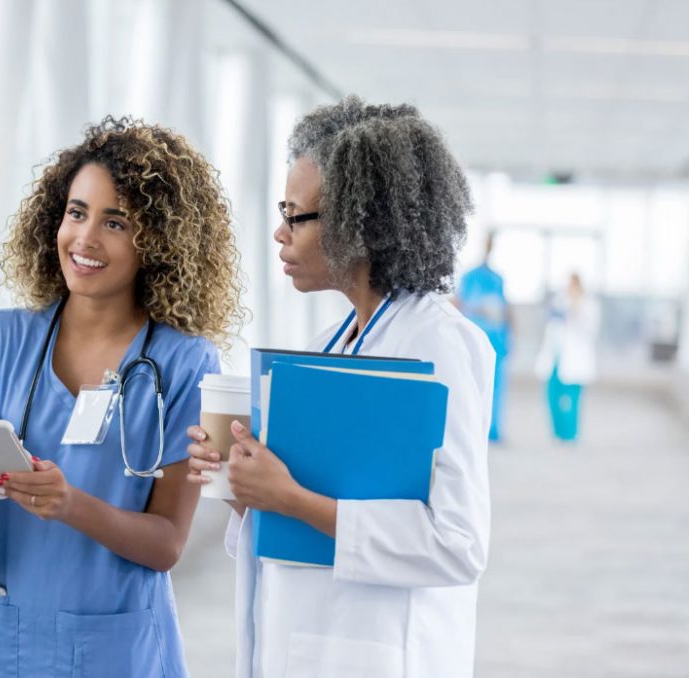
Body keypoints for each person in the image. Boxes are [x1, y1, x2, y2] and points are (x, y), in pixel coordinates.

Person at [187, 98, 495, 678]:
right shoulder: (333, 342)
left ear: (360, 223)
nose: (280, 232)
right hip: (303, 643)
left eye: (295, 214)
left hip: (380, 653)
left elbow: (458, 543)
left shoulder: (438, 345)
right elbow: (300, 512)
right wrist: (239, 480)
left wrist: (291, 498)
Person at [0, 117, 244, 676]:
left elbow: (167, 544)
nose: (86, 240)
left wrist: (70, 505)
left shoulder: (182, 363)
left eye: (115, 222)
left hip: (114, 651)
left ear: (158, 240)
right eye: (77, 213)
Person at [456, 233, 512, 441]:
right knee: (471, 384)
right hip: (476, 335)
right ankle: (473, 429)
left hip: (496, 338)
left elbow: (505, 310)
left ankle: (493, 430)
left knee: (495, 386)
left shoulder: (497, 279)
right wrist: (480, 310)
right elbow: (459, 303)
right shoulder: (469, 277)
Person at [535, 272, 599, 442]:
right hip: (556, 357)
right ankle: (558, 431)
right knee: (552, 396)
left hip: (575, 361)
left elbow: (589, 329)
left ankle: (570, 433)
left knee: (572, 399)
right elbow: (551, 323)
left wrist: (574, 311)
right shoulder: (560, 300)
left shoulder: (588, 305)